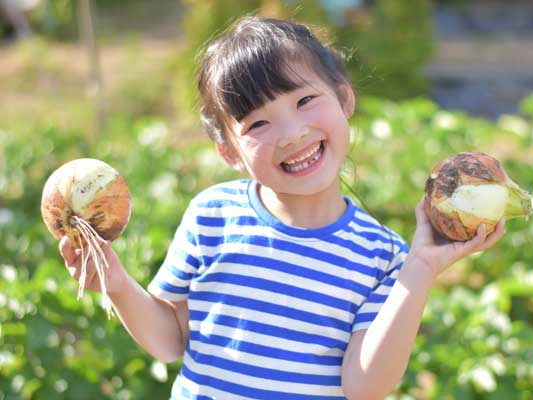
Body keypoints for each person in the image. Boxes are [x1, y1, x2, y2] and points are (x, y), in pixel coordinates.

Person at [59, 16, 505, 400]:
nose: (292, 134)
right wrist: (116, 283)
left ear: (345, 99)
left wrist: (421, 268)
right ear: (229, 152)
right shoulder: (212, 215)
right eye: (258, 123)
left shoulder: (382, 255)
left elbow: (364, 387)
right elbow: (170, 341)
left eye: (305, 101)